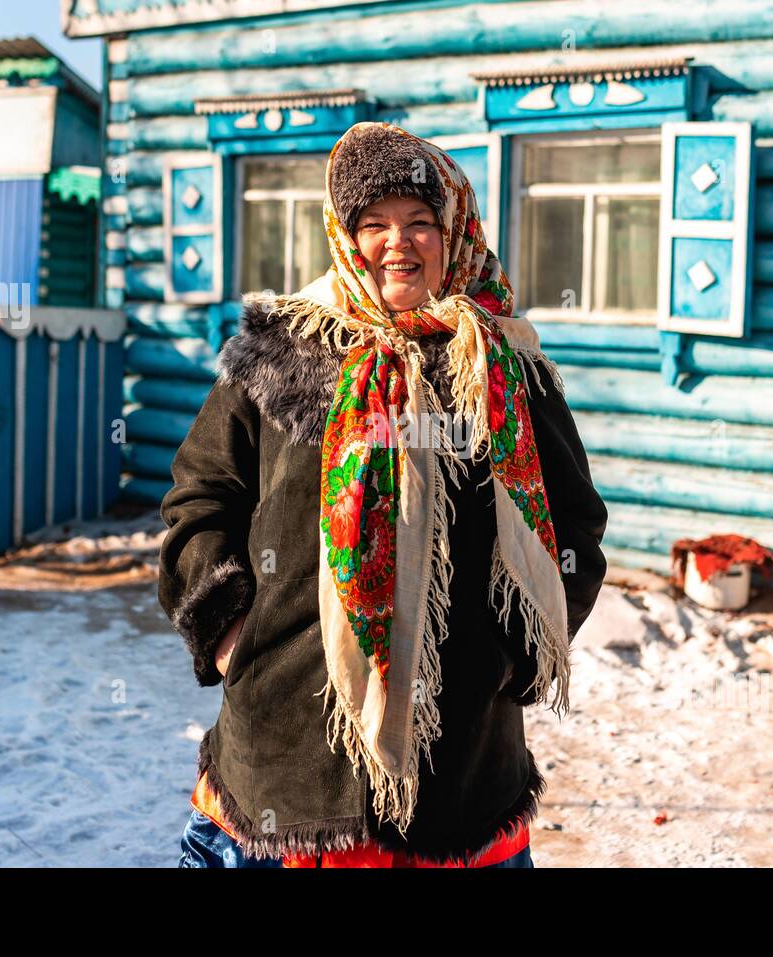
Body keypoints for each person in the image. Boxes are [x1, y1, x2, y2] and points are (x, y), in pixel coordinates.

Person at [159, 122, 609, 868]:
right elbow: (198, 497)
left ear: (453, 230)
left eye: (419, 224)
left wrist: (511, 660)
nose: (396, 244)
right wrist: (233, 633)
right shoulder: (280, 350)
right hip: (282, 767)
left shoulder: (502, 366)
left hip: (457, 775)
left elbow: (575, 530)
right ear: (345, 234)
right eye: (373, 224)